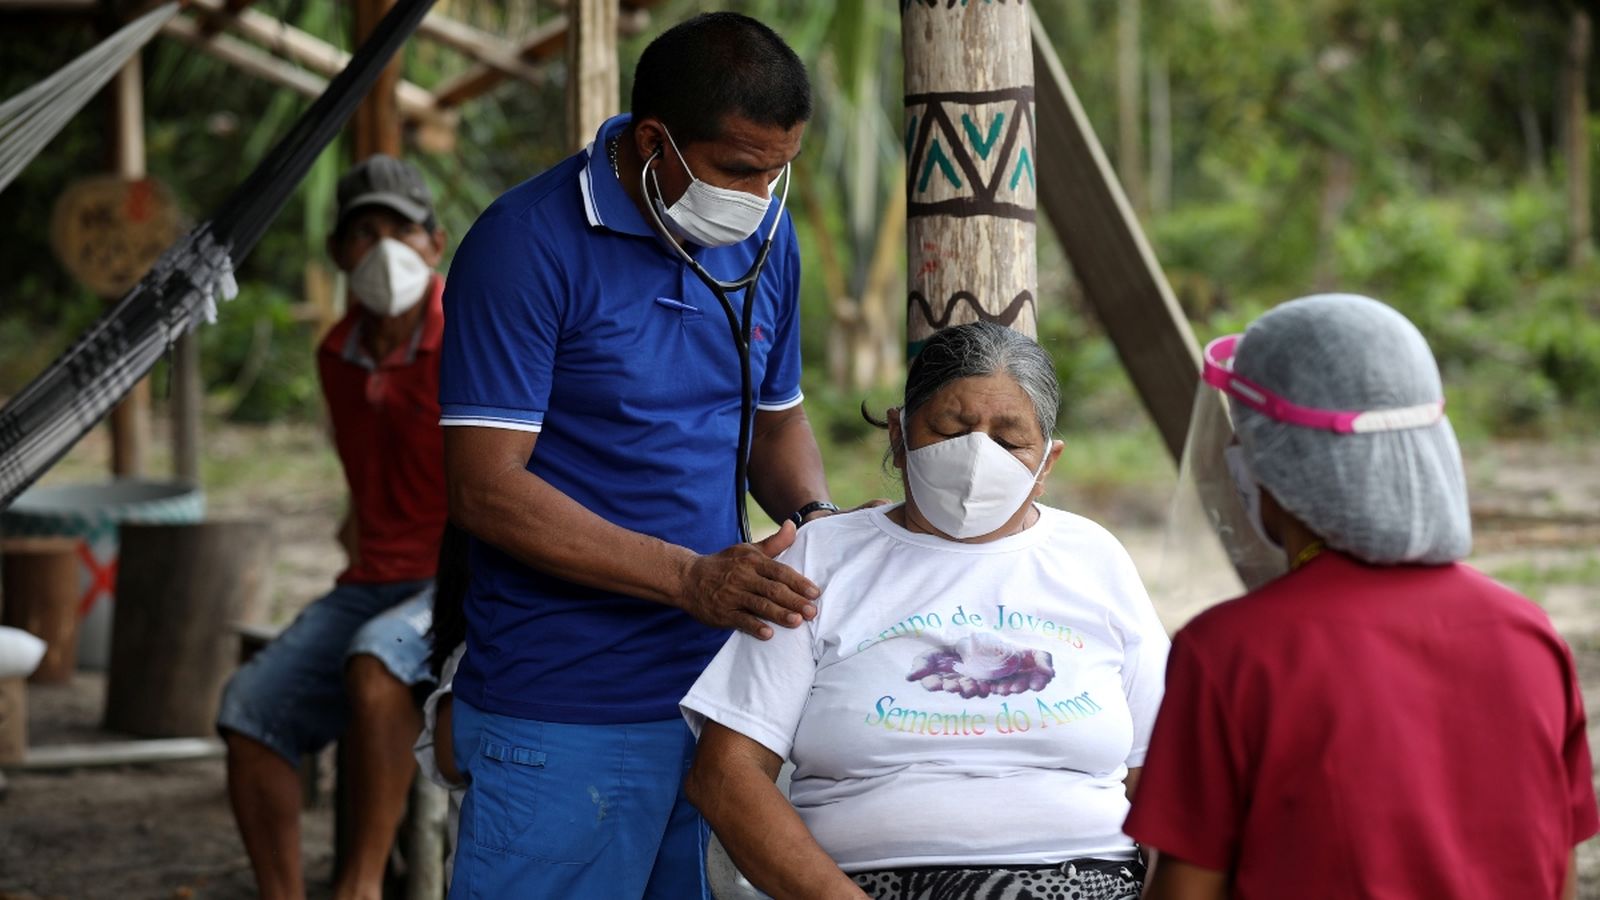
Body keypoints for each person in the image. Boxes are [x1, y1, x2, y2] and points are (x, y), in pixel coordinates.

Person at [438, 13, 842, 898]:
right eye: (740, 168)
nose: (762, 192)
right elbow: (485, 489)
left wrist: (819, 525)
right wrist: (692, 579)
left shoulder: (766, 239)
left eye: (780, 169)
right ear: (655, 142)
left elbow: (776, 426)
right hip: (566, 705)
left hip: (721, 701)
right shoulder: (525, 245)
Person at [1124, 294, 1600, 899]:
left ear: (1276, 462)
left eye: (1243, 440)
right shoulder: (1530, 635)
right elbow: (1557, 874)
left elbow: (1187, 891)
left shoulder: (1229, 653)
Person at [679, 322, 1169, 900]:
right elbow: (726, 776)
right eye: (951, 429)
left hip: (1088, 881)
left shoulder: (1093, 557)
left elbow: (1168, 779)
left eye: (1010, 442)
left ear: (1047, 464)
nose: (977, 456)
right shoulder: (823, 556)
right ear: (898, 433)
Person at [216, 154, 450, 900]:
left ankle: (360, 886)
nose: (384, 248)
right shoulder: (335, 356)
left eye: (402, 229)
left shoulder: (476, 333)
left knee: (377, 664)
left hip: (462, 577)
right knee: (249, 709)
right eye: (364, 232)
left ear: (434, 244)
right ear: (339, 254)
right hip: (371, 580)